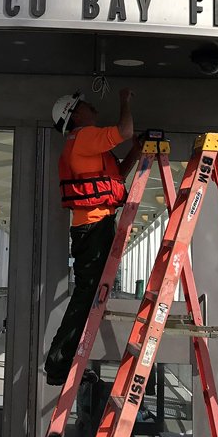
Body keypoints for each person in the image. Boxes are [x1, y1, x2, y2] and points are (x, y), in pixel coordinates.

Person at [44, 87, 142, 386]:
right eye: (83, 103)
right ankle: (58, 364)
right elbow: (124, 130)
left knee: (87, 296)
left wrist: (137, 151)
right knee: (86, 297)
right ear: (74, 115)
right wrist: (124, 100)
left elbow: (116, 177)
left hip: (94, 226)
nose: (90, 106)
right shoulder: (84, 137)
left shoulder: (85, 143)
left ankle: (63, 361)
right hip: (94, 229)